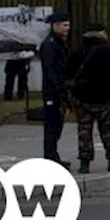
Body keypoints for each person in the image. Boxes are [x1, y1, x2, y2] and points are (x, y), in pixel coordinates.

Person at [67, 23, 110, 174]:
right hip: (105, 99)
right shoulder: (109, 53)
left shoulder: (78, 52)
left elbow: (68, 74)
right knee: (108, 131)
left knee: (84, 131)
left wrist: (75, 94)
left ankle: (84, 163)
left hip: (83, 99)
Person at [39, 12, 72, 167]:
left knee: (57, 126)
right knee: (52, 127)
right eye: (64, 25)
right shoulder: (50, 44)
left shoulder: (59, 42)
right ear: (55, 25)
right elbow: (52, 71)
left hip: (59, 91)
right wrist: (60, 90)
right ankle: (51, 159)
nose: (68, 28)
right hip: (53, 92)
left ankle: (53, 157)